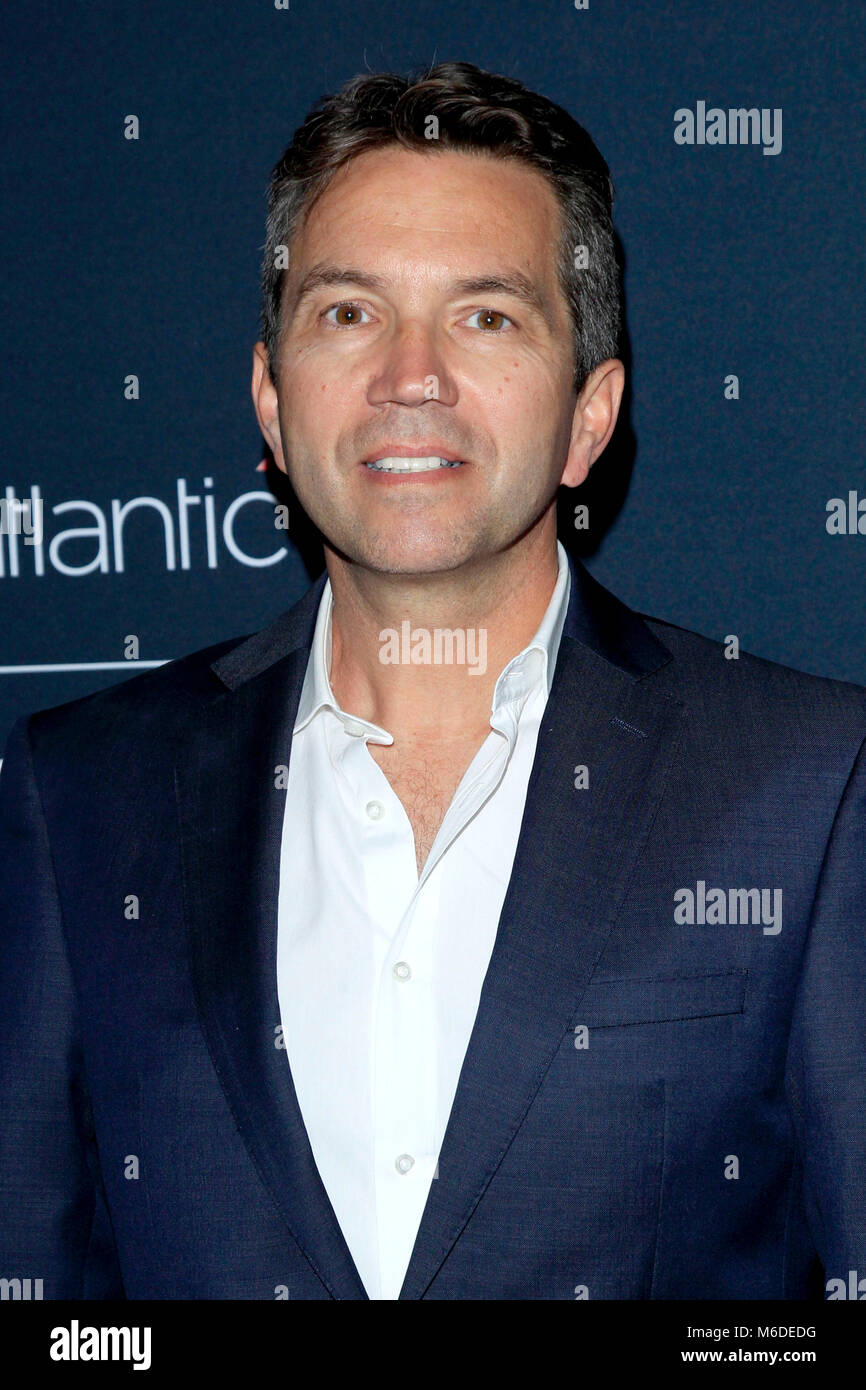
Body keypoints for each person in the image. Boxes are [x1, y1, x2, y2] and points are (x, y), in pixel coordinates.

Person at [1, 60, 864, 1302]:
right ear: (271, 399)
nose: (411, 375)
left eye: (485, 316)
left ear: (586, 418)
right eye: (347, 313)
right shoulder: (75, 790)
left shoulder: (809, 785)